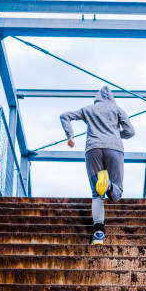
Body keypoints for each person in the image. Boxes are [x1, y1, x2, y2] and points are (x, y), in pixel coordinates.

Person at [60, 85, 135, 245]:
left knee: (96, 194)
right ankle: (108, 185)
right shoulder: (117, 109)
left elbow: (64, 115)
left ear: (97, 98)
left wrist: (70, 136)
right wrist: (115, 134)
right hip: (114, 148)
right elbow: (130, 132)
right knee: (117, 192)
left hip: (93, 148)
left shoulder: (89, 109)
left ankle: (99, 234)